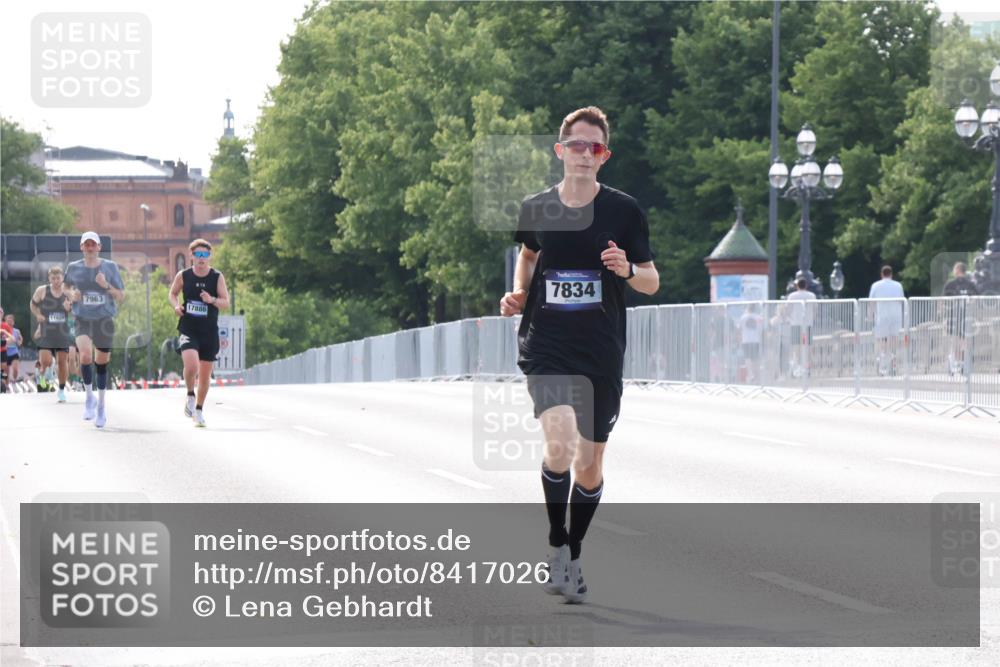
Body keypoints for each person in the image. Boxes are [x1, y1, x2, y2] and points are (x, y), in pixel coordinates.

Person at [499, 106, 659, 604]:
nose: (584, 154)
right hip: (545, 344)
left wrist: (627, 268)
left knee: (589, 466)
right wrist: (519, 291)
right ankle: (554, 544)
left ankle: (574, 550)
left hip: (601, 350)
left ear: (603, 156)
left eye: (594, 148)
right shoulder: (537, 207)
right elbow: (527, 255)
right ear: (560, 151)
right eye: (576, 145)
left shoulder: (624, 211)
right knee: (561, 438)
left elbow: (652, 282)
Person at [63, 231, 125, 427]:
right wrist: (72, 293)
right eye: (86, 244)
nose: (90, 248)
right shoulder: (74, 267)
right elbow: (65, 287)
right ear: (82, 247)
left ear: (99, 247)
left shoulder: (110, 267)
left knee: (101, 363)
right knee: (86, 356)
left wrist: (105, 284)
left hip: (104, 320)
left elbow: (120, 296)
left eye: (93, 244)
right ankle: (89, 398)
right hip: (82, 318)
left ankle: (101, 406)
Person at [168, 239, 230, 427]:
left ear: (209, 256)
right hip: (188, 328)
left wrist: (211, 300)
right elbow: (172, 294)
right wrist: (176, 306)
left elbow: (225, 302)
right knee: (192, 365)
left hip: (209, 331)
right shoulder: (184, 275)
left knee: (204, 375)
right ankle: (189, 394)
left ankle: (199, 410)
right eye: (198, 255)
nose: (201, 259)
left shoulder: (216, 277)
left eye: (205, 255)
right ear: (191, 256)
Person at [30, 265, 75, 403]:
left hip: (62, 332)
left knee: (63, 362)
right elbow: (32, 304)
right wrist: (38, 314)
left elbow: (76, 313)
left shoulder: (68, 292)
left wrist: (70, 308)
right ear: (49, 278)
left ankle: (61, 390)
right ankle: (43, 372)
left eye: (58, 278)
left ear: (62, 278)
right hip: (46, 331)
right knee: (46, 361)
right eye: (53, 278)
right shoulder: (42, 290)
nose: (56, 280)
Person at [942, 262, 979, 375]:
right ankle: (959, 363)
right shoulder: (970, 284)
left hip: (954, 317)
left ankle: (957, 363)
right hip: (965, 317)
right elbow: (976, 298)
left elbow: (944, 301)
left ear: (957, 270)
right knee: (963, 341)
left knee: (957, 341)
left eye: (954, 269)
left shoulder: (951, 284)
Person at [868, 265, 905, 376]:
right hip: (896, 316)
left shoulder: (876, 285)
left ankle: (883, 360)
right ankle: (893, 359)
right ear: (891, 274)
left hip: (882, 316)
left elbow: (871, 302)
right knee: (893, 339)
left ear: (882, 274)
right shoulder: (898, 285)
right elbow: (901, 301)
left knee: (882, 340)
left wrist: (870, 316)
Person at [785, 277, 816, 378]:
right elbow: (815, 309)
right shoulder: (812, 295)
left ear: (797, 285)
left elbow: (788, 310)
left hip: (796, 324)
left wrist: (790, 318)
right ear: (806, 285)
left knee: (796, 348)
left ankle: (797, 369)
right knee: (808, 347)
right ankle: (807, 368)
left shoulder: (792, 296)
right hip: (808, 324)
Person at [4, 313, 23, 385]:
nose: (9, 321)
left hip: (14, 352)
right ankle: (6, 384)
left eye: (11, 320)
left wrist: (19, 342)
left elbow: (20, 340)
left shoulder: (16, 331)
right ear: (5, 321)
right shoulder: (2, 330)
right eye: (8, 320)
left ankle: (14, 380)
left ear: (13, 322)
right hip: (4, 352)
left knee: (15, 369)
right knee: (6, 372)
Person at [0, 306, 12, 393]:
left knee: (3, 369)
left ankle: (3, 384)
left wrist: (5, 341)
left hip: (3, 350)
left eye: (0, 313)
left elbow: (12, 338)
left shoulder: (5, 326)